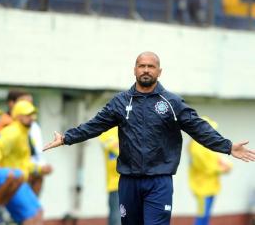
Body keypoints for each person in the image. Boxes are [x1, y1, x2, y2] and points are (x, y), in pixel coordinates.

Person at [43, 51, 255, 225]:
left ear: (159, 71)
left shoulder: (172, 102)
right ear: (135, 69)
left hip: (159, 181)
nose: (145, 70)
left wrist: (227, 147)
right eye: (141, 65)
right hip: (128, 181)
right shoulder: (120, 102)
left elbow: (198, 128)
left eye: (150, 66)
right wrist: (66, 138)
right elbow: (94, 126)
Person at [0, 100, 52, 225]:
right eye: (27, 115)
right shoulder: (12, 133)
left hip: (21, 181)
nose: (31, 118)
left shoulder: (23, 134)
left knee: (38, 213)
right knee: (31, 218)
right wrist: (1, 177)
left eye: (32, 114)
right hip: (13, 182)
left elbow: (24, 162)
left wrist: (39, 169)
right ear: (17, 116)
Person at [0, 89, 50, 195]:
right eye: (24, 102)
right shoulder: (7, 125)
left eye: (30, 103)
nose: (28, 107)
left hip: (29, 166)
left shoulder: (30, 125)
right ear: (11, 103)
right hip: (14, 171)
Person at [188, 116, 232, 225]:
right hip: (202, 189)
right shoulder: (196, 147)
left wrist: (226, 166)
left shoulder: (205, 145)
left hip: (210, 187)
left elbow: (218, 160)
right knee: (202, 217)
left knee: (205, 217)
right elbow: (208, 168)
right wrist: (224, 168)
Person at [98, 127, 121, 225]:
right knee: (116, 220)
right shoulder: (106, 131)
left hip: (135, 182)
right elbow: (118, 151)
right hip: (115, 185)